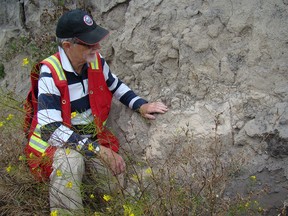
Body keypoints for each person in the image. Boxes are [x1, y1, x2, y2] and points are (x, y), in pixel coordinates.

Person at [24, 8, 168, 214]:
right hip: (54, 145)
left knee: (113, 180)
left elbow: (115, 85)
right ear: (67, 45)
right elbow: (51, 130)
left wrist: (140, 105)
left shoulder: (95, 60)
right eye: (90, 43)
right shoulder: (50, 71)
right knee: (70, 162)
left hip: (88, 140)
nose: (98, 46)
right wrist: (98, 151)